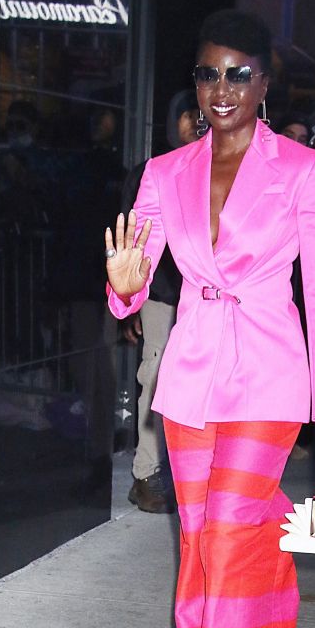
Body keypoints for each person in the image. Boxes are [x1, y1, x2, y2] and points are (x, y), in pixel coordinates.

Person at [105, 10, 315, 628]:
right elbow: (135, 272)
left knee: (231, 550)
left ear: (264, 83)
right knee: (195, 556)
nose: (222, 88)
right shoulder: (165, 171)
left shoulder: (303, 170)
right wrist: (124, 291)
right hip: (191, 378)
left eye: (238, 73)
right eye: (209, 74)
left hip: (270, 378)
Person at [122, 90, 199, 513]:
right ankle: (147, 473)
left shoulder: (220, 169)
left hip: (206, 298)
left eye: (198, 114)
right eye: (186, 115)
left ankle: (178, 473)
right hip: (163, 296)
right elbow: (127, 240)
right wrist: (127, 304)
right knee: (155, 378)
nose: (195, 122)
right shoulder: (153, 171)